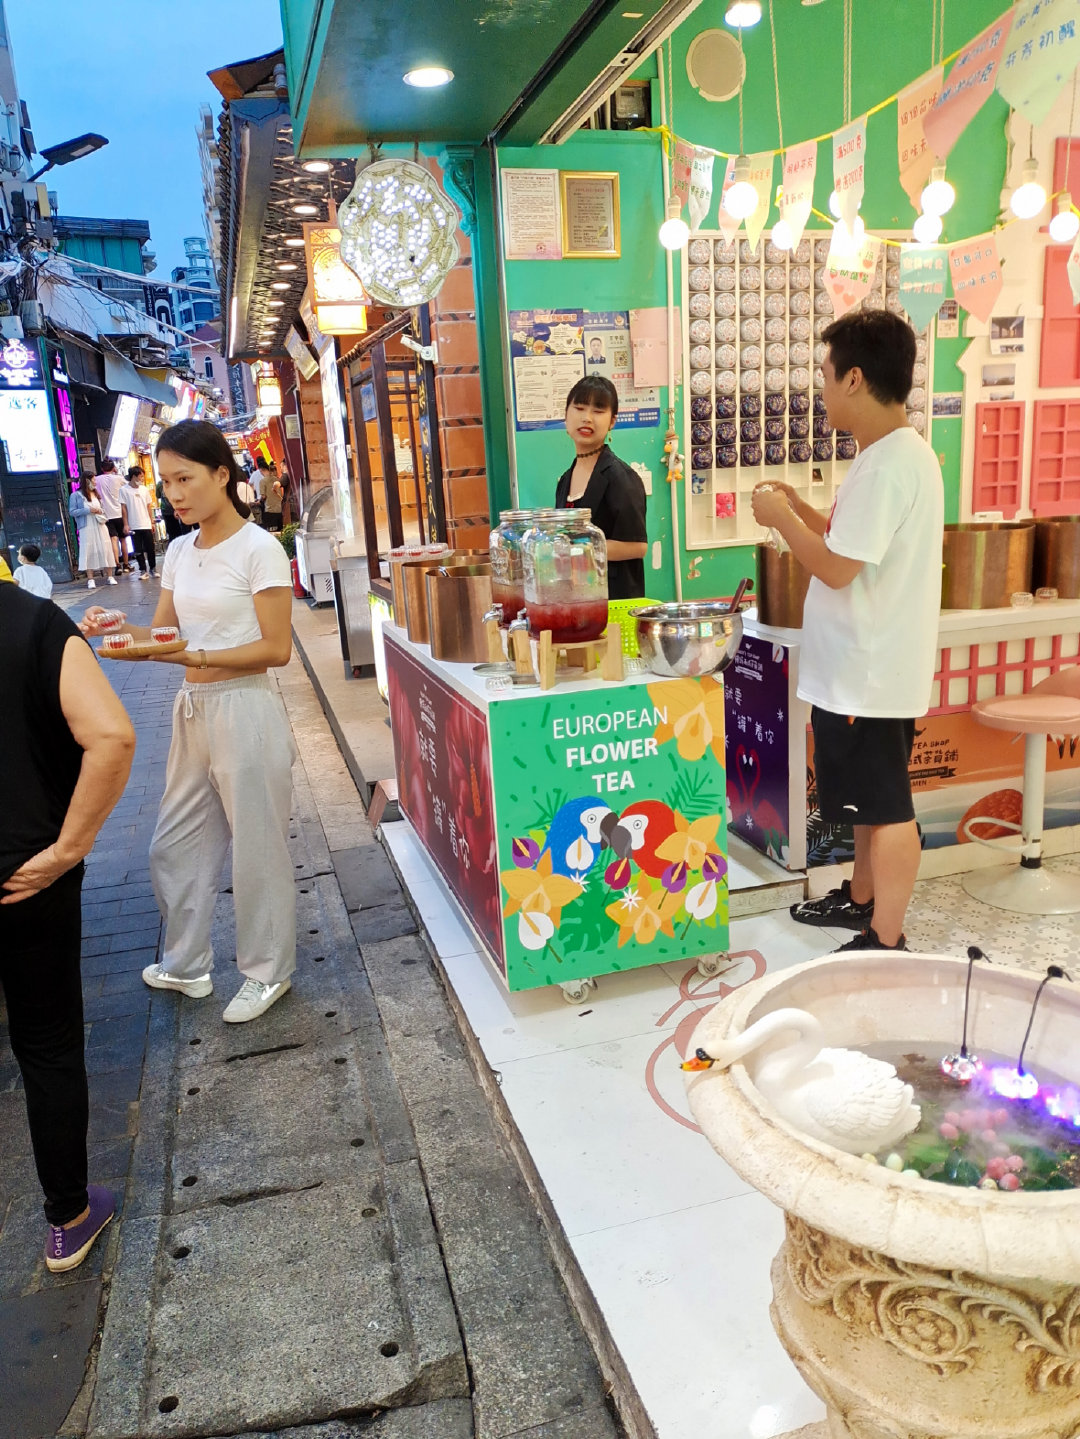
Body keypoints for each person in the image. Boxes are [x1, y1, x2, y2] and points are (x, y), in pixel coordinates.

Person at [751, 310, 944, 953]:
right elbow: (846, 540)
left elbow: (834, 567)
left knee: (887, 807)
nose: (824, 391)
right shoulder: (884, 457)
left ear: (856, 378)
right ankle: (860, 899)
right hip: (859, 672)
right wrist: (800, 509)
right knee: (866, 802)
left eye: (828, 377)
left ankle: (886, 937)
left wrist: (781, 518)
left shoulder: (891, 464)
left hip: (872, 674)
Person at [139, 419, 296, 1024]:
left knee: (257, 849)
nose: (174, 494)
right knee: (173, 845)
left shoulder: (258, 548)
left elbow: (276, 647)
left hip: (247, 707)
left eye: (185, 479)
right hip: (193, 711)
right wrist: (106, 631)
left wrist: (196, 655)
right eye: (166, 482)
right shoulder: (179, 550)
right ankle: (186, 964)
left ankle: (267, 972)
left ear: (222, 475)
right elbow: (162, 634)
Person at [0, 582, 135, 1271]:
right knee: (46, 1043)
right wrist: (66, 849)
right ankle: (68, 1218)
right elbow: (111, 734)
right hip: (26, 879)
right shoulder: (33, 622)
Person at [554, 374, 648, 601]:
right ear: (565, 416)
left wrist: (578, 549)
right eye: (579, 408)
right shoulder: (565, 479)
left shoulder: (621, 477)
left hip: (613, 603)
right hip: (575, 599)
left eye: (598, 411)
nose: (587, 418)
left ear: (612, 421)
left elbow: (637, 546)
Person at [69, 478, 117, 589]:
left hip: (99, 524)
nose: (95, 482)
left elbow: (103, 508)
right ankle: (90, 579)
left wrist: (100, 511)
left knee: (105, 548)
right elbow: (72, 512)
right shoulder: (76, 495)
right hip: (86, 526)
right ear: (87, 481)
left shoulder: (96, 493)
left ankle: (110, 576)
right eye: (93, 480)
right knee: (88, 550)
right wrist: (88, 510)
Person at [120, 466, 157, 580]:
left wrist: (151, 522)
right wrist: (126, 524)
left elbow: (148, 506)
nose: (142, 479)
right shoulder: (124, 490)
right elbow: (124, 508)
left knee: (150, 547)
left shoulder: (144, 489)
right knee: (138, 549)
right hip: (133, 524)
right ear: (134, 476)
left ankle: (153, 568)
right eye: (140, 476)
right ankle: (143, 570)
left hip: (145, 523)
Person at [93, 459, 129, 575]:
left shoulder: (97, 480)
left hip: (106, 515)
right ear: (113, 467)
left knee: (113, 539)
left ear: (102, 468)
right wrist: (117, 473)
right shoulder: (119, 478)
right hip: (119, 513)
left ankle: (117, 565)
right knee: (123, 539)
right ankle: (126, 565)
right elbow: (129, 487)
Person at [258, 456, 283, 532]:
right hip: (279, 509)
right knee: (280, 532)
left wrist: (259, 501)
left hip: (270, 510)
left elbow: (263, 496)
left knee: (272, 533)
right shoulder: (277, 479)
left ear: (261, 470)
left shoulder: (262, 481)